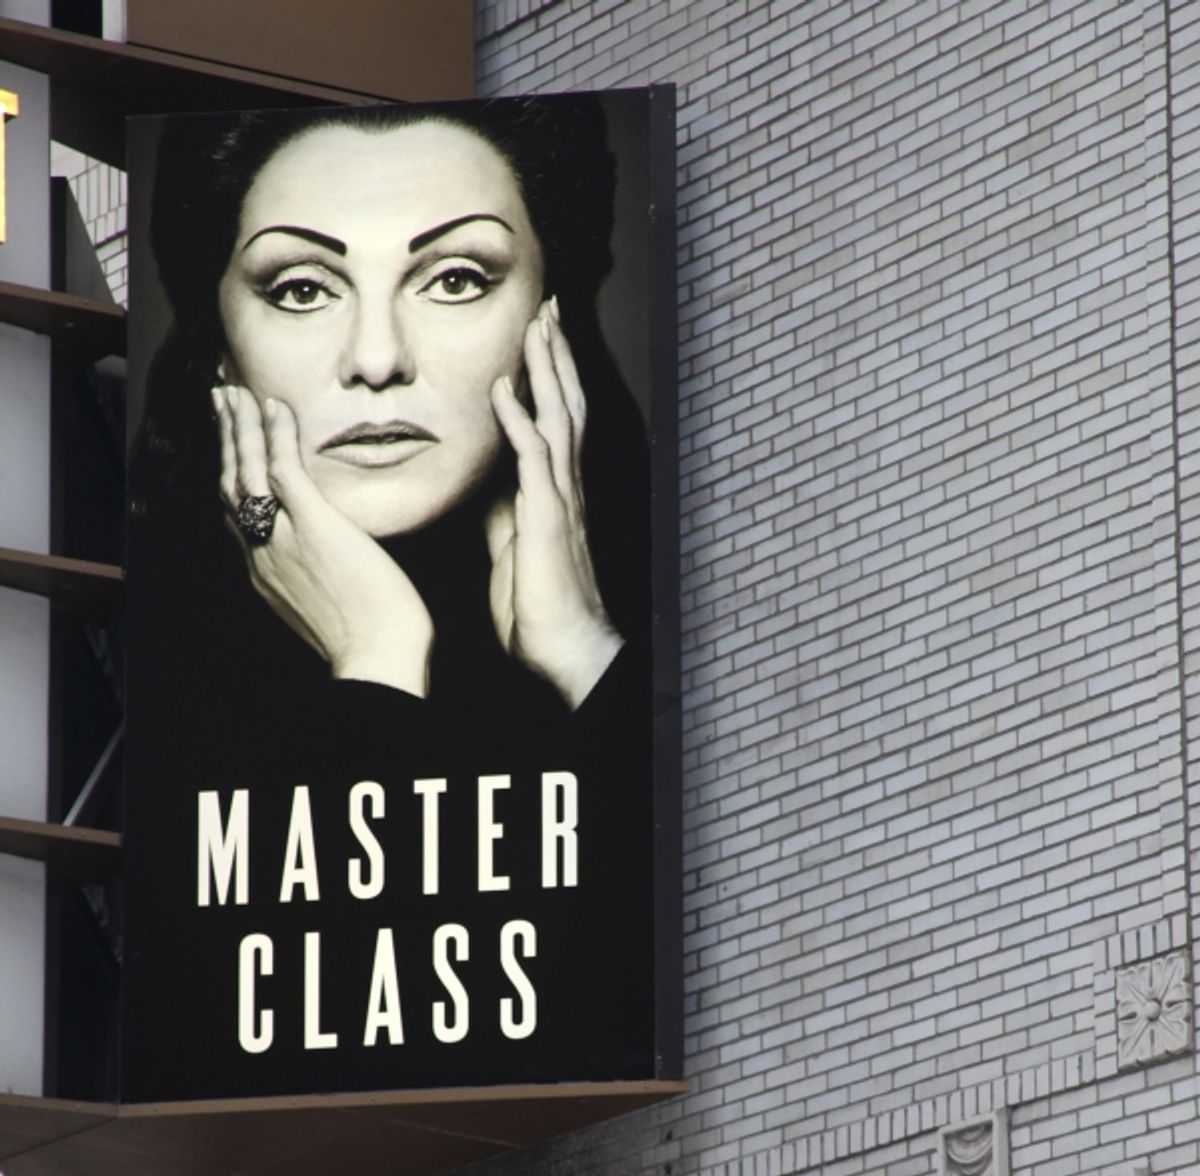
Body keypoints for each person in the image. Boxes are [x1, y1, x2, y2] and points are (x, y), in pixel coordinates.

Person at [121, 97, 658, 1101]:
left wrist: (585, 648)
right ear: (219, 350)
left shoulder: (663, 664)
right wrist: (374, 657)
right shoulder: (113, 724)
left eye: (455, 279)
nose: (377, 359)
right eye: (301, 288)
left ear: (553, 320)